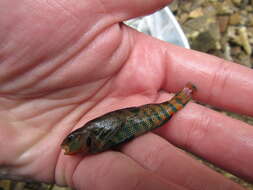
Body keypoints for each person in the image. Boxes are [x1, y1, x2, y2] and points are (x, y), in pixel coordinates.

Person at [0, 1, 252, 190]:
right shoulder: (89, 142)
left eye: (72, 140)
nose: (68, 146)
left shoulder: (90, 139)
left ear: (84, 139)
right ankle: (181, 99)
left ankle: (182, 99)